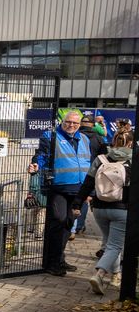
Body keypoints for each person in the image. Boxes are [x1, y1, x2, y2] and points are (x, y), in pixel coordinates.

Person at [29, 111, 92, 276]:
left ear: (79, 125)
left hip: (79, 189)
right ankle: (51, 262)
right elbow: (42, 155)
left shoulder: (84, 139)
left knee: (68, 224)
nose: (71, 125)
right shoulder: (51, 136)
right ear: (62, 121)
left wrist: (90, 190)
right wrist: (36, 164)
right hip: (59, 187)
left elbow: (89, 163)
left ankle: (60, 259)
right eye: (68, 122)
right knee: (58, 220)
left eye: (75, 123)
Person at [75, 130, 132, 294]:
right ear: (130, 143)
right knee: (115, 246)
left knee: (109, 243)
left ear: (113, 141)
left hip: (99, 209)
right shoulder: (132, 160)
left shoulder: (100, 159)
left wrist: (77, 203)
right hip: (122, 209)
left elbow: (87, 183)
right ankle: (99, 274)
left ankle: (116, 276)